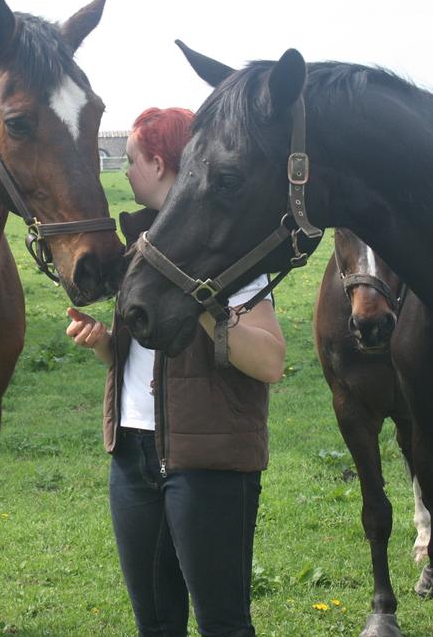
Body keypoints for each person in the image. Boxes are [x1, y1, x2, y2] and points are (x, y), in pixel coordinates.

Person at [66, 106, 286, 637]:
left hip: (208, 463)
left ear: (160, 164)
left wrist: (203, 302)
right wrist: (104, 344)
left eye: (132, 160)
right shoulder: (137, 251)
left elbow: (270, 362)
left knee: (223, 625)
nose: (125, 172)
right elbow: (140, 358)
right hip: (132, 456)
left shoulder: (230, 250)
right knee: (156, 624)